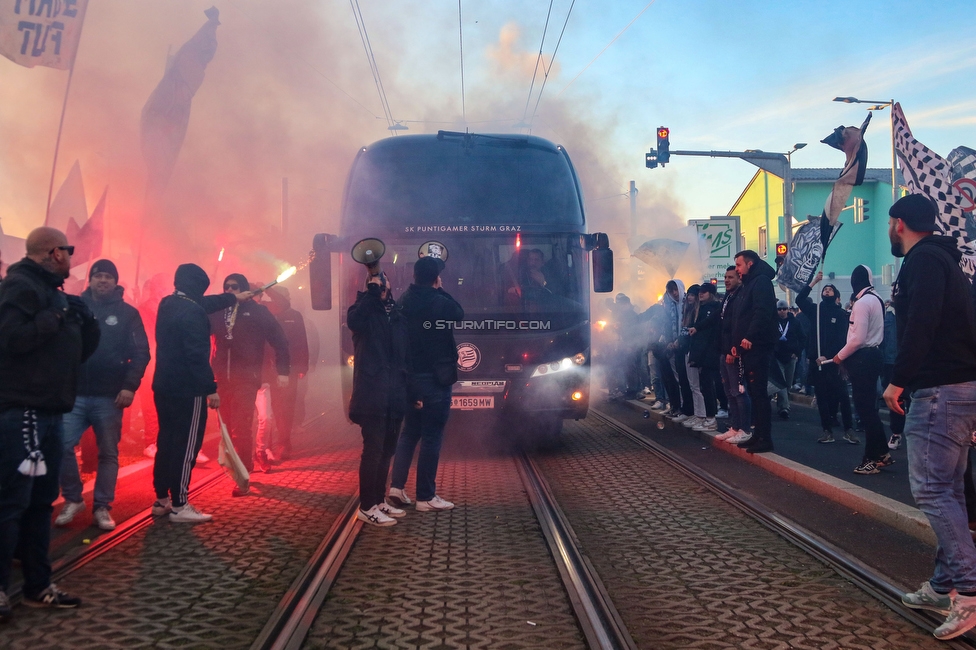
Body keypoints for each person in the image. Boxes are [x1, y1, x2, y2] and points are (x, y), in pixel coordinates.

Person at [883, 193, 976, 640]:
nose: (889, 232)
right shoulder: (948, 263)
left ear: (899, 223)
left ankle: (969, 596)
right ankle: (943, 585)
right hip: (957, 389)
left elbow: (922, 322)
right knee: (950, 492)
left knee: (934, 491)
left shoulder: (921, 262)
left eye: (888, 224)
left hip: (938, 390)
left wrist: (900, 379)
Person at [0, 227, 99, 616]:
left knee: (43, 502)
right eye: (69, 250)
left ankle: (38, 585)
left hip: (51, 410)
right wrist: (55, 314)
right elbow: (11, 339)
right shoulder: (21, 286)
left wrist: (84, 324)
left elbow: (75, 353)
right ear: (55, 252)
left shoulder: (53, 294)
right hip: (24, 409)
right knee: (11, 503)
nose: (72, 257)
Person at [55, 260, 150, 531]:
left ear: (115, 281)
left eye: (108, 276)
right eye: (98, 276)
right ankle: (73, 498)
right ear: (90, 280)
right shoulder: (75, 308)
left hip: (110, 396)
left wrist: (129, 386)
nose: (103, 281)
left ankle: (102, 506)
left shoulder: (128, 313)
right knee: (62, 445)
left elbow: (142, 353)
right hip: (75, 394)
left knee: (108, 452)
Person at [152, 264, 248, 522]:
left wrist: (232, 298)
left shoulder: (167, 304)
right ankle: (180, 505)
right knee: (186, 446)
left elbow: (199, 303)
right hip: (188, 389)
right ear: (198, 286)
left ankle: (161, 499)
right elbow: (197, 355)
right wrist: (210, 388)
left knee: (166, 443)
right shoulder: (194, 313)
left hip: (162, 386)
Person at [388, 257, 464, 512]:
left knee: (409, 433)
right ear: (435, 278)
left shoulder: (403, 301)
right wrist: (439, 289)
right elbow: (459, 313)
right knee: (432, 436)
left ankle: (396, 488)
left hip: (410, 378)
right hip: (435, 378)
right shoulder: (439, 301)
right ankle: (426, 497)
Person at [210, 274, 290, 480]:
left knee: (241, 427)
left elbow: (279, 340)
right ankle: (235, 465)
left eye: (234, 287)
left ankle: (243, 471)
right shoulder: (218, 311)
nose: (229, 291)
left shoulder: (258, 311)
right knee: (225, 428)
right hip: (221, 379)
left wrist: (283, 370)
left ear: (244, 289)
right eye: (226, 287)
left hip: (246, 378)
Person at [348, 270, 410, 526]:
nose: (382, 288)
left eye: (384, 284)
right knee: (372, 451)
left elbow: (405, 354)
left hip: (394, 394)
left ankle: (379, 499)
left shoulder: (396, 314)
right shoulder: (363, 311)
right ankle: (366, 505)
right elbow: (354, 321)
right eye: (377, 285)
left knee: (387, 450)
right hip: (372, 393)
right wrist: (370, 294)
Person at [832, 265, 887, 475]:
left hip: (863, 358)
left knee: (865, 410)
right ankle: (882, 453)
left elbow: (857, 338)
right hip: (874, 355)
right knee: (869, 409)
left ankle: (870, 459)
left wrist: (840, 356)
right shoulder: (877, 299)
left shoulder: (862, 303)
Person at [796, 272, 855, 443]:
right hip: (817, 362)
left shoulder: (842, 314)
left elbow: (841, 339)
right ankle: (827, 430)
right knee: (821, 396)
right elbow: (800, 300)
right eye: (825, 289)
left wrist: (828, 356)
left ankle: (848, 429)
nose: (827, 291)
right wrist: (814, 282)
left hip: (835, 361)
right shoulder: (815, 310)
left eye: (830, 290)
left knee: (842, 396)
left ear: (836, 296)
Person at [730, 250, 778, 453]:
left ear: (750, 264)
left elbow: (762, 312)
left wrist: (749, 337)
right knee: (754, 391)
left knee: (759, 394)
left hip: (758, 346)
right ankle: (757, 435)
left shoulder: (761, 282)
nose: (737, 270)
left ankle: (764, 438)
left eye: (739, 265)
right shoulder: (750, 283)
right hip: (748, 347)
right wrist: (736, 342)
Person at [265, 286, 309, 461]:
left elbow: (301, 342)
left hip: (288, 369)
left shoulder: (294, 315)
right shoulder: (265, 311)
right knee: (269, 408)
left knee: (286, 407)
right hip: (267, 368)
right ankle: (265, 446)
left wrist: (302, 367)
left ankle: (284, 443)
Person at [716, 266, 753, 444]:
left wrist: (734, 349)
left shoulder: (740, 296)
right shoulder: (728, 297)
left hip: (733, 352)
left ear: (739, 278)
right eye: (725, 277)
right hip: (723, 351)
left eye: (731, 276)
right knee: (729, 392)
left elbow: (737, 326)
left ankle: (745, 428)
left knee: (738, 392)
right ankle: (735, 427)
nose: (727, 280)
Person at [687, 282, 721, 432]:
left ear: (711, 293)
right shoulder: (702, 308)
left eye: (705, 292)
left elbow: (708, 326)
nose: (701, 294)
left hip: (709, 352)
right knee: (704, 385)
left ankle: (710, 418)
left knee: (707, 385)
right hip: (703, 352)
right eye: (700, 291)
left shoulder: (713, 308)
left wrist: (697, 328)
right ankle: (708, 417)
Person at [768, 299, 805, 420]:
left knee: (788, 383)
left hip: (791, 356)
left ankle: (783, 403)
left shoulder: (795, 322)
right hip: (777, 357)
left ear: (788, 309)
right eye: (779, 309)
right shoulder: (772, 322)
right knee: (781, 382)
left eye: (784, 309)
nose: (782, 311)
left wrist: (797, 352)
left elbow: (803, 338)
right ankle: (784, 407)